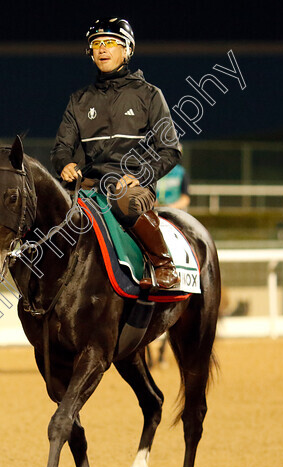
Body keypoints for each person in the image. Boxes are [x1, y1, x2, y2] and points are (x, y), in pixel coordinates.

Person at [51, 18, 181, 289]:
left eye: (110, 43)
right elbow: (61, 148)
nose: (102, 49)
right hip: (86, 186)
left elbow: (170, 150)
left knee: (122, 200)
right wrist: (64, 163)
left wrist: (141, 176)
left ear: (127, 50)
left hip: (130, 187)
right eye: (96, 44)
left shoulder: (150, 95)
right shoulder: (78, 100)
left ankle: (164, 265)